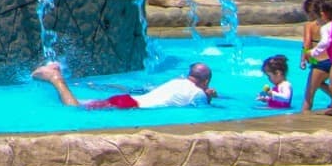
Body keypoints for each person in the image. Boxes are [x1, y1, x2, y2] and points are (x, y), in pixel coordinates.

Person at [32, 61, 215, 109]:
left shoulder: (178, 81)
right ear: (205, 81)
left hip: (128, 100)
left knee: (82, 103)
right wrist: (208, 96)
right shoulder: (197, 94)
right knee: (74, 108)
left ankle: (55, 73)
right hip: (129, 106)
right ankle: (55, 78)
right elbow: (202, 106)